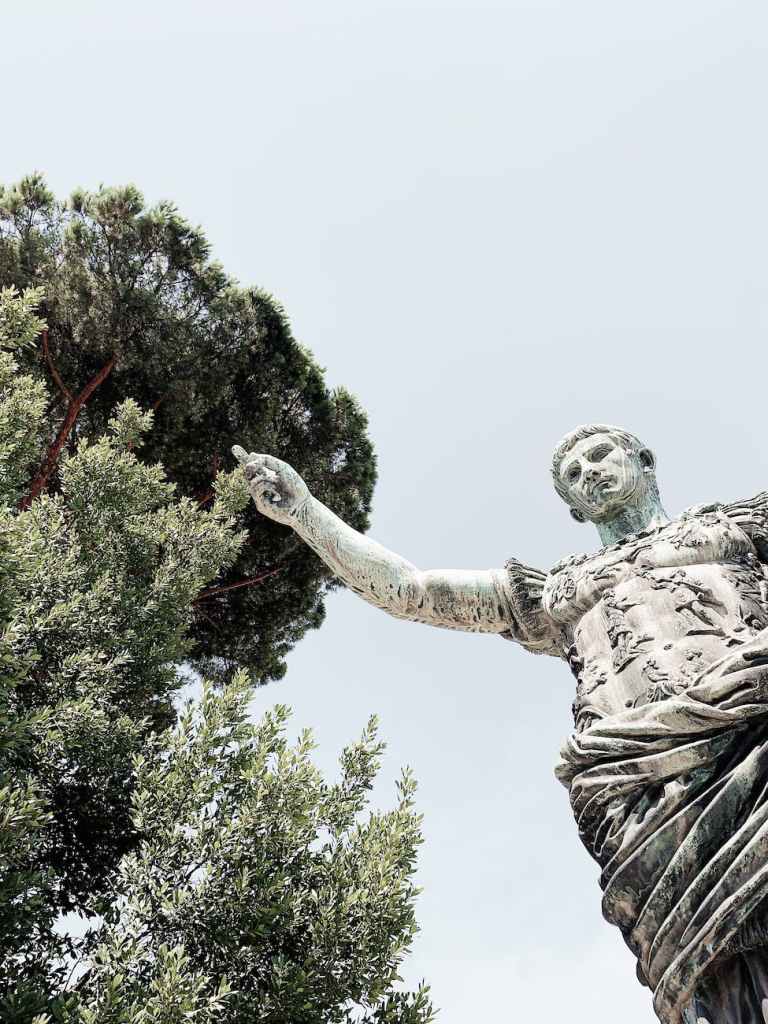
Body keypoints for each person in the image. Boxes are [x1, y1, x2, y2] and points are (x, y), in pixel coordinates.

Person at [234, 425, 768, 1024]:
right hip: (643, 789)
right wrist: (306, 513)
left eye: (599, 456)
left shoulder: (737, 526)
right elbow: (412, 591)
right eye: (572, 475)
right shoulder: (554, 592)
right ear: (571, 508)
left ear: (643, 459)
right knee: (712, 971)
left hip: (756, 734)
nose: (588, 472)